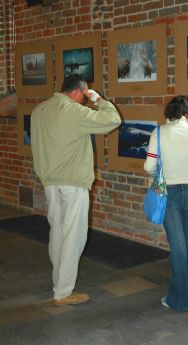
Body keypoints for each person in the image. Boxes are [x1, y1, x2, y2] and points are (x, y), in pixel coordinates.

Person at [31, 73, 121, 306]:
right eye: (85, 94)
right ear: (80, 92)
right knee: (74, 237)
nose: (85, 99)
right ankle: (63, 292)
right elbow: (113, 120)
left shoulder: (40, 110)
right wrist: (99, 100)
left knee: (57, 233)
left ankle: (58, 282)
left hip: (50, 183)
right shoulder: (72, 111)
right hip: (72, 184)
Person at [144, 96, 188, 312]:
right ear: (187, 113)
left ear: (169, 113)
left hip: (170, 193)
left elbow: (149, 166)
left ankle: (178, 300)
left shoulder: (159, 132)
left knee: (178, 245)